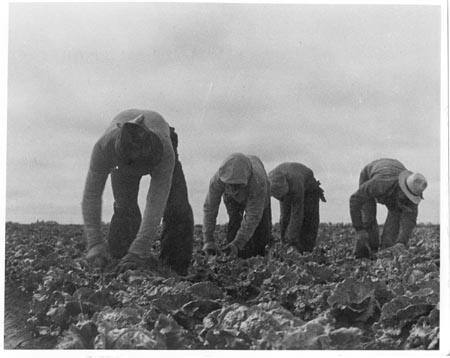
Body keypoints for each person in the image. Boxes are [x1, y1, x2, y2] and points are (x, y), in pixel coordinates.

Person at [82, 109, 194, 275]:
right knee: (124, 207)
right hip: (122, 157)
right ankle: (120, 265)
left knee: (178, 207)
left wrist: (139, 250)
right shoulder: (103, 148)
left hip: (161, 139)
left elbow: (156, 201)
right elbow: (91, 195)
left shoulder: (164, 150)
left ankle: (174, 270)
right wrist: (94, 243)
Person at [349, 158, 427, 259]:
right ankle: (364, 254)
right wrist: (359, 229)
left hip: (393, 174)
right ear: (401, 188)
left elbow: (410, 220)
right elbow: (355, 200)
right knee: (368, 218)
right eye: (406, 196)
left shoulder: (414, 190)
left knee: (395, 216)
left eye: (410, 197)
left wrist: (401, 242)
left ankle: (385, 251)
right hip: (370, 175)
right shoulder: (379, 183)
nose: (408, 199)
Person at [202, 153, 272, 258]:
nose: (234, 190)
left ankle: (259, 259)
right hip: (230, 197)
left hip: (258, 194)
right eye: (230, 185)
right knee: (234, 222)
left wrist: (238, 243)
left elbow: (253, 216)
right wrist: (208, 240)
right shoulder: (218, 180)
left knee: (262, 233)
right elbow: (210, 208)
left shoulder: (258, 182)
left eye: (237, 185)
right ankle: (233, 256)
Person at [268, 162, 326, 253]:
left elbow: (297, 213)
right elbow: (284, 216)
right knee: (285, 217)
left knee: (309, 220)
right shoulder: (270, 182)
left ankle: (306, 251)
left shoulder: (296, 183)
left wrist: (291, 240)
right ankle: (286, 245)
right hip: (287, 187)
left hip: (309, 188)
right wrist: (284, 242)